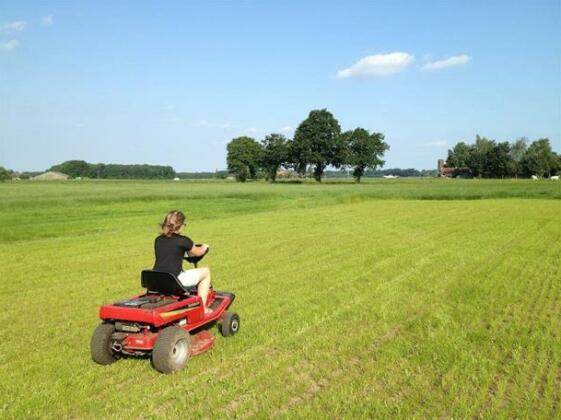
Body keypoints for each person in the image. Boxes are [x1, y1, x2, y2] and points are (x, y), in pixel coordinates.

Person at [153, 210, 213, 313]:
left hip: (158, 279)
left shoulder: (158, 240)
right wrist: (204, 246)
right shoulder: (183, 241)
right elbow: (198, 252)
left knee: (183, 270)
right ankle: (202, 308)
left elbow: (171, 254)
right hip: (175, 280)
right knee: (206, 271)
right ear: (180, 226)